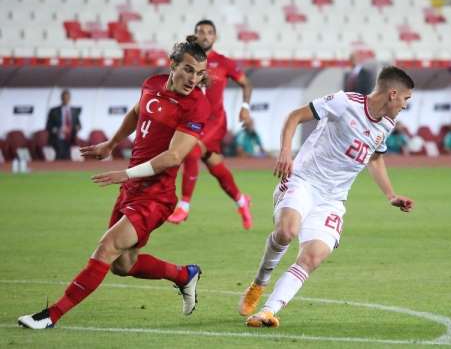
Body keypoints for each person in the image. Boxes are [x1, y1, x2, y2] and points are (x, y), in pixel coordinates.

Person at [17, 36, 211, 329]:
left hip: (156, 196)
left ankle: (51, 315)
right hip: (131, 189)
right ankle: (185, 275)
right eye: (187, 69)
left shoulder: (197, 106)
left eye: (199, 74)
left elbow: (173, 157)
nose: (193, 79)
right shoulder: (152, 84)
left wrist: (127, 173)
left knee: (106, 248)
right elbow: (137, 112)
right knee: (123, 264)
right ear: (172, 65)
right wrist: (111, 143)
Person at [238, 66, 415, 328]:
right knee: (287, 232)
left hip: (333, 199)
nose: (406, 105)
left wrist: (390, 195)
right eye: (406, 99)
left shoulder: (387, 125)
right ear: (392, 94)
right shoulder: (345, 103)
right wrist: (286, 151)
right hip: (304, 181)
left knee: (313, 256)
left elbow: (375, 159)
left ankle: (267, 312)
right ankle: (259, 283)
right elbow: (295, 116)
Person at [168, 19, 254, 229]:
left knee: (192, 150)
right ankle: (241, 201)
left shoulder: (223, 62)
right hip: (193, 120)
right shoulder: (186, 61)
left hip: (215, 122)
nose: (205, 35)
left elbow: (246, 82)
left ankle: (184, 206)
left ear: (215, 37)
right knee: (215, 165)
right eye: (201, 32)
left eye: (209, 32)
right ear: (195, 35)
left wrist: (245, 107)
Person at [46, 89, 81, 160]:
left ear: (70, 98)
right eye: (64, 98)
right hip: (58, 138)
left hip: (70, 138)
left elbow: (79, 125)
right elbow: (48, 126)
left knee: (68, 158)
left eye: (67, 98)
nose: (66, 99)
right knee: (59, 157)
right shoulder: (54, 111)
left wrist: (77, 128)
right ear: (61, 98)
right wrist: (58, 130)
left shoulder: (74, 111)